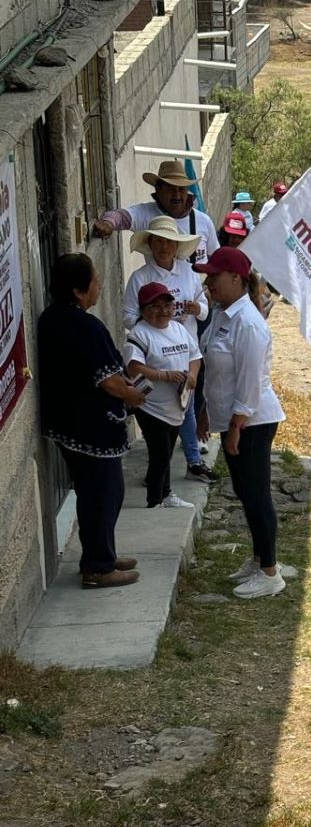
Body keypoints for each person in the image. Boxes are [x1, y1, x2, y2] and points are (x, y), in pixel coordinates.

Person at [37, 254, 145, 588]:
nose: (99, 285)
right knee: (103, 494)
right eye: (95, 280)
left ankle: (101, 555)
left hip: (69, 424)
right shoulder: (85, 326)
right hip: (91, 428)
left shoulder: (51, 318)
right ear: (79, 290)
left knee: (97, 493)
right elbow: (107, 380)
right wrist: (131, 394)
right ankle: (98, 567)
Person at [194, 247, 286, 598]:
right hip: (231, 418)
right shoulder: (222, 313)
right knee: (245, 493)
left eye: (214, 276)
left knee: (257, 494)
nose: (208, 283)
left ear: (236, 278)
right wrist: (206, 410)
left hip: (252, 421)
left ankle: (270, 572)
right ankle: (259, 555)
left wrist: (235, 427)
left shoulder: (248, 323)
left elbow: (249, 383)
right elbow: (216, 372)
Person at [124, 215, 213, 483]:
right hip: (154, 355)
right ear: (150, 244)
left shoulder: (189, 272)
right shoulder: (140, 278)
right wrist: (157, 318)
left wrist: (196, 309)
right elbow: (127, 316)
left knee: (184, 402)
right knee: (156, 407)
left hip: (186, 350)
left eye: (169, 242)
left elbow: (204, 309)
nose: (164, 247)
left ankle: (193, 460)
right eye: (159, 241)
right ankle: (160, 469)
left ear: (177, 246)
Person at [125, 284, 202, 510]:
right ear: (144, 310)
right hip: (150, 406)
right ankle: (154, 501)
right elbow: (134, 367)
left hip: (177, 405)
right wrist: (163, 375)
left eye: (167, 305)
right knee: (160, 454)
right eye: (155, 306)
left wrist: (193, 376)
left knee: (166, 452)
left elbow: (194, 356)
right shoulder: (139, 334)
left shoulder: (178, 329)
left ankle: (166, 494)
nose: (163, 311)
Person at [92, 159, 219, 263]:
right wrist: (109, 223)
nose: (177, 195)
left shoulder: (204, 221)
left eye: (181, 189)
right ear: (158, 190)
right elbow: (121, 215)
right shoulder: (146, 213)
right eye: (171, 189)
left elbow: (216, 257)